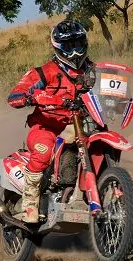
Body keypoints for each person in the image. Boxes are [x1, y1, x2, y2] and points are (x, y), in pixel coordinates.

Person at [7, 20, 92, 223]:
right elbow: (14, 96)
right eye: (69, 47)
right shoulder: (45, 72)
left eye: (78, 45)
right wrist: (31, 97)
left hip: (83, 124)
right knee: (43, 151)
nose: (75, 53)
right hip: (47, 127)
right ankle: (29, 207)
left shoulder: (93, 71)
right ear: (58, 47)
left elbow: (110, 87)